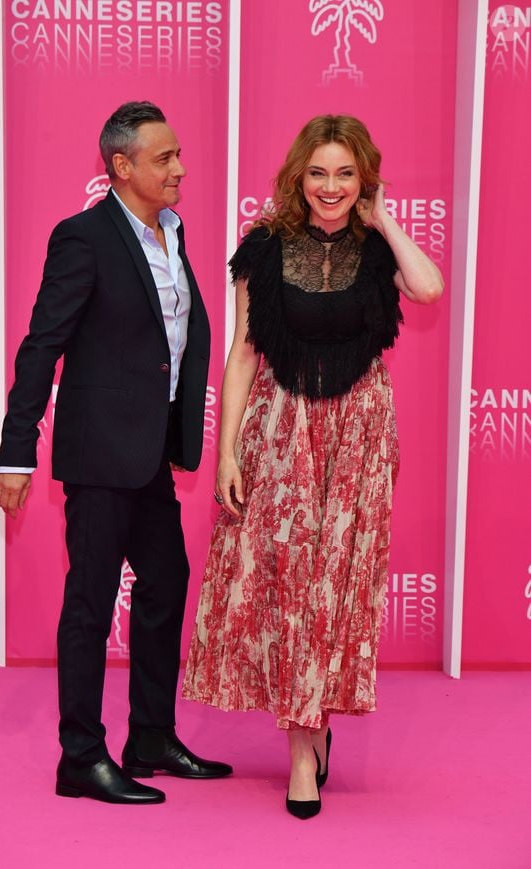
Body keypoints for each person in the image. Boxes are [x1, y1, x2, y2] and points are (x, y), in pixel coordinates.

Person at [182, 115, 443, 819]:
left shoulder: (376, 244)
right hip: (282, 431)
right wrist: (229, 447)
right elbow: (241, 353)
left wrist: (384, 221)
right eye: (319, 172)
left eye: (346, 174)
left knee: (338, 587)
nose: (331, 187)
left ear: (364, 180)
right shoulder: (264, 248)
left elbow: (429, 288)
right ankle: (302, 750)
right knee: (294, 585)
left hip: (359, 434)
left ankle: (316, 723)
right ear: (299, 175)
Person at [0, 101, 232, 805]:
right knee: (90, 604)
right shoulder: (84, 237)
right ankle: (81, 757)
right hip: (99, 454)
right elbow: (43, 344)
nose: (180, 168)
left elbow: (167, 343)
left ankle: (152, 736)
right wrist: (15, 452)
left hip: (152, 454)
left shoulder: (172, 235)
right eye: (164, 158)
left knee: (165, 583)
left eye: (180, 154)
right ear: (121, 167)